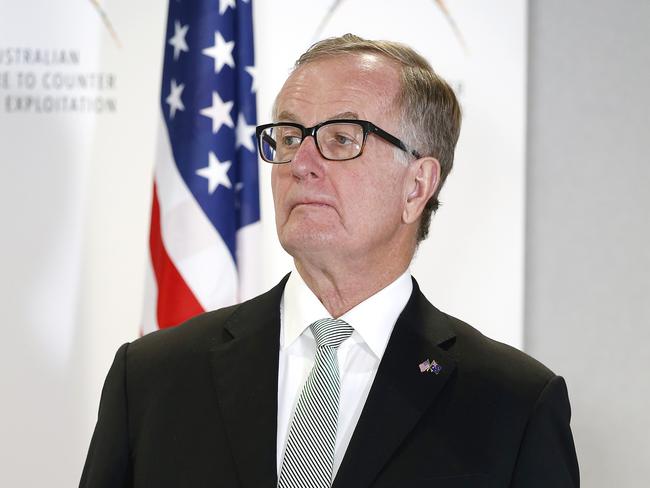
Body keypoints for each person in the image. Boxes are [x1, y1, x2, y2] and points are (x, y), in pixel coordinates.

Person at [80, 34, 579, 487]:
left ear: (417, 185)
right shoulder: (150, 377)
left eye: (341, 138)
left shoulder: (514, 405)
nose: (300, 164)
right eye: (290, 138)